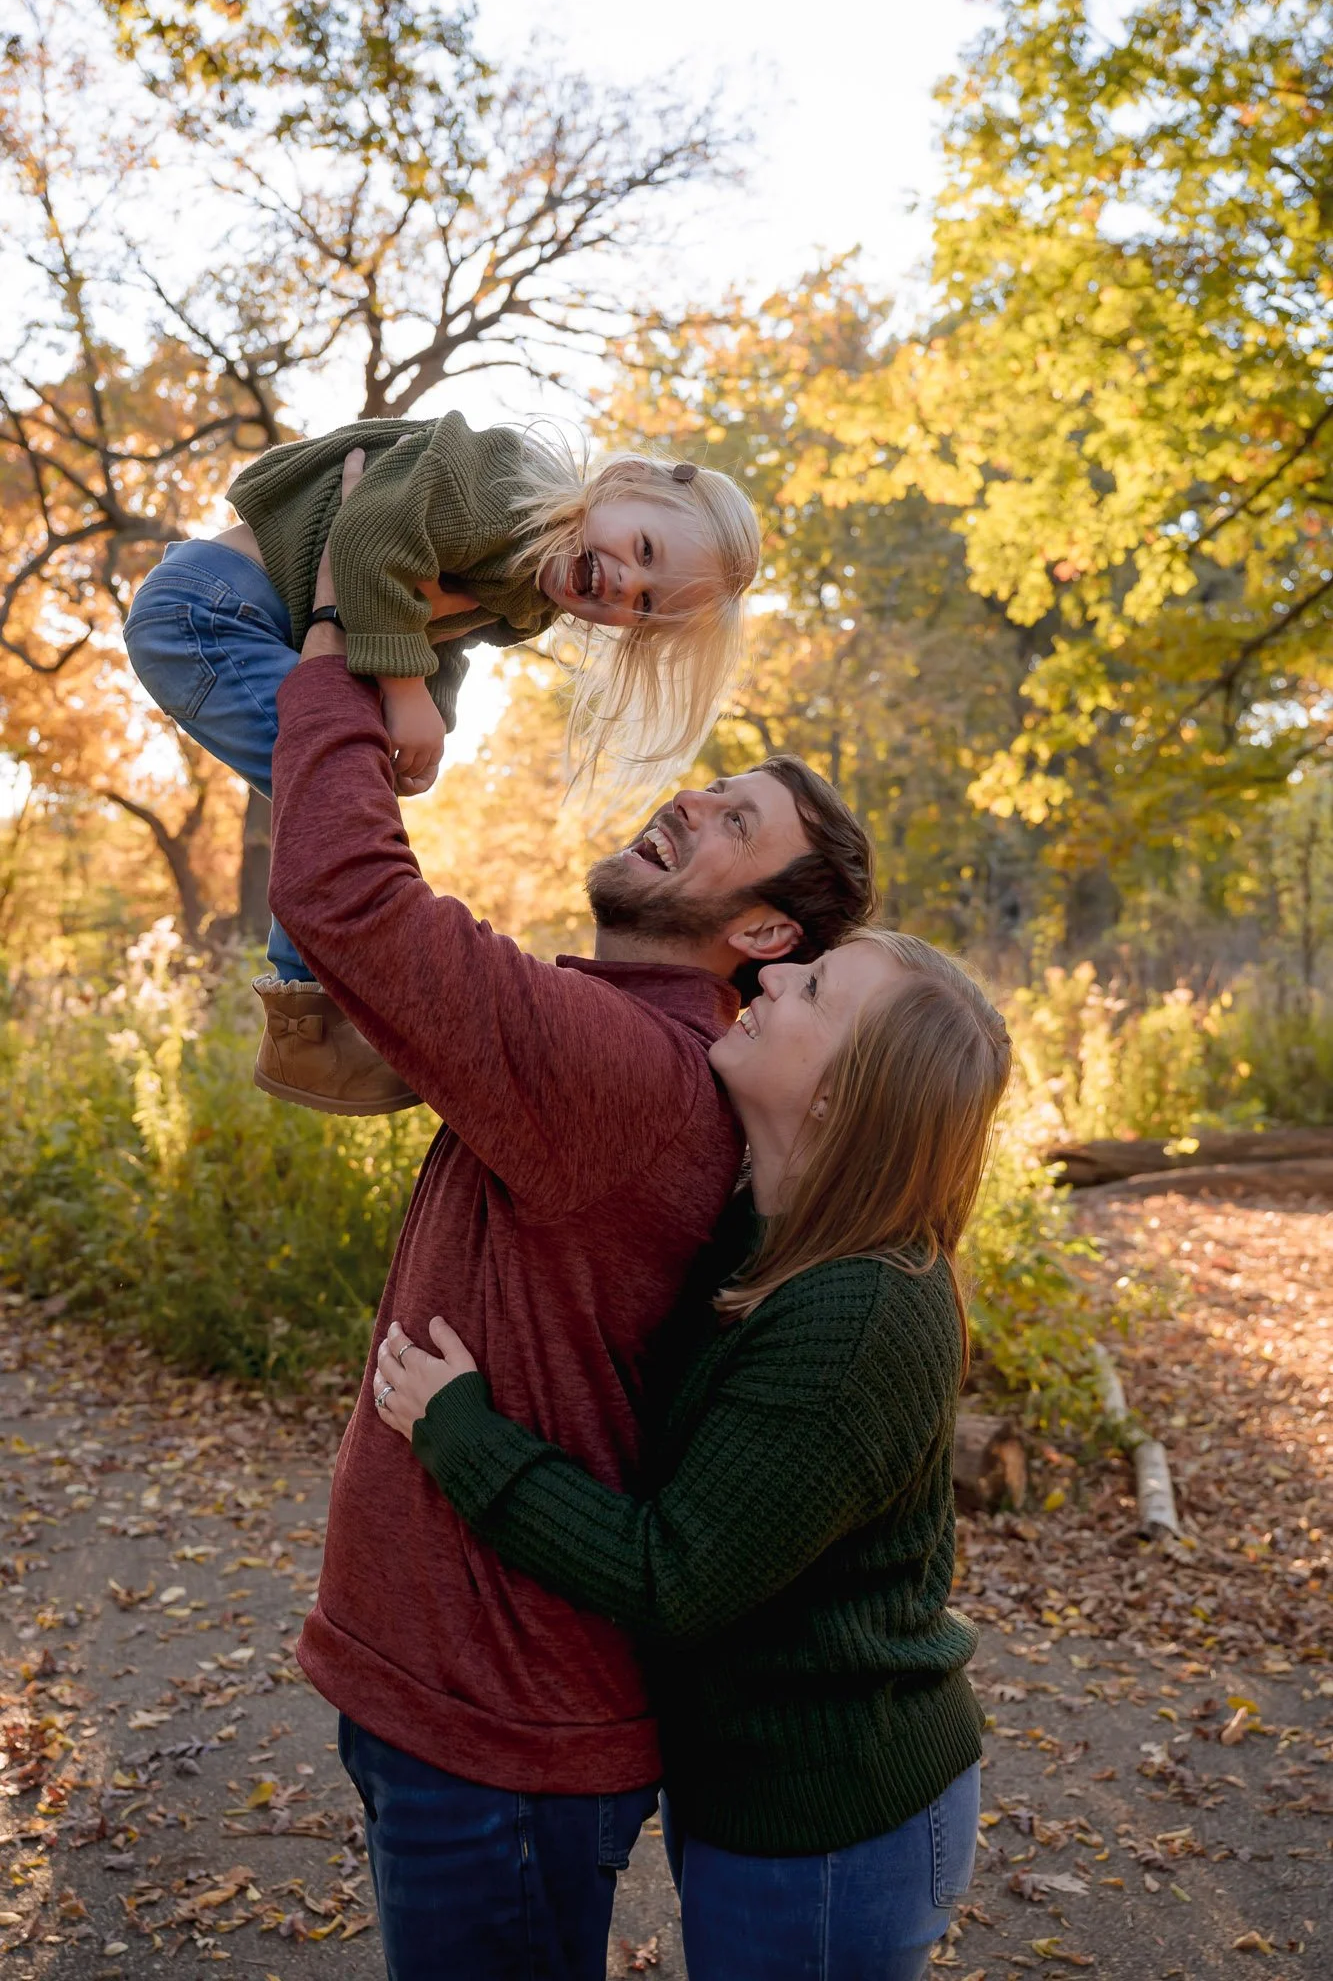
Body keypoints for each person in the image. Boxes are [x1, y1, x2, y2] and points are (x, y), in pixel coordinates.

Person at [264, 456, 877, 1981]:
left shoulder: (628, 1071)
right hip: (446, 1704)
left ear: (761, 931)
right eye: (705, 788)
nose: (686, 803)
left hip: (500, 1737)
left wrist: (345, 629)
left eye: (729, 823)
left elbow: (348, 895)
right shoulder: (624, 1043)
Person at [372, 927, 1012, 1981]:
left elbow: (672, 1573)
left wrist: (465, 1434)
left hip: (827, 1821)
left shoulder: (857, 1311)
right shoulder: (763, 1227)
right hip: (757, 1797)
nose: (766, 977)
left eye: (809, 989)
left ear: (842, 1100)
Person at [122, 414, 760, 1114]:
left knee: (338, 779)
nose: (622, 584)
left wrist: (431, 721)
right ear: (623, 484)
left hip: (243, 617)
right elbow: (368, 540)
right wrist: (397, 691)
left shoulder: (528, 601)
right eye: (640, 547)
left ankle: (317, 1017)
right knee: (327, 780)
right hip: (212, 610)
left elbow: (440, 639)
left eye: (644, 604)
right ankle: (308, 1026)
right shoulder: (504, 483)